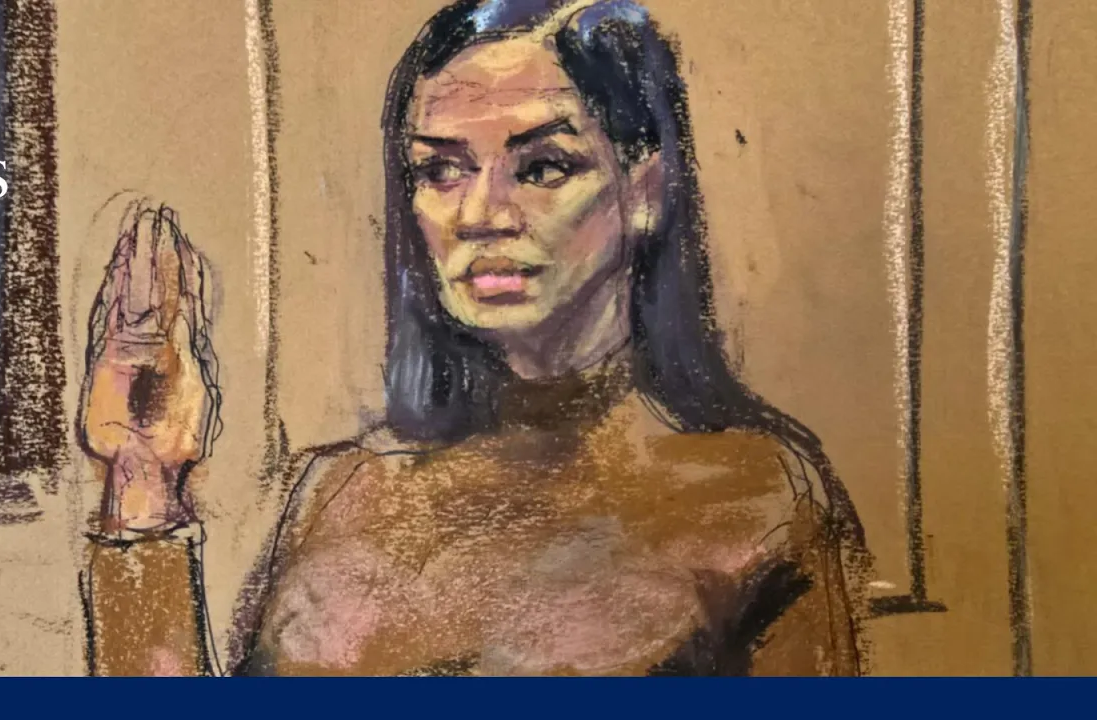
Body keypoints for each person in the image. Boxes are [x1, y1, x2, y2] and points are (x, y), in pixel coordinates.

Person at [78, 0, 871, 676]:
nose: (481, 214)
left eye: (543, 167)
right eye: (440, 171)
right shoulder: (337, 492)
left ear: (646, 189)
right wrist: (144, 479)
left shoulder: (755, 497)